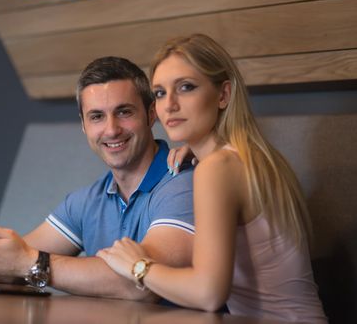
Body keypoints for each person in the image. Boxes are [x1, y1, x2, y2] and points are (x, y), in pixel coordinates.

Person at [97, 34, 327, 322]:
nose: (169, 105)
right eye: (159, 93)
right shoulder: (251, 156)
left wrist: (138, 266)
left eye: (186, 87)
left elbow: (208, 294)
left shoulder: (217, 168)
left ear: (223, 95)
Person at [0, 56, 195, 301]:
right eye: (96, 116)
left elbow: (139, 285)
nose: (111, 129)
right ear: (83, 125)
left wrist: (31, 262)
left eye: (124, 112)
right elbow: (8, 271)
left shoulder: (183, 183)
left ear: (151, 114)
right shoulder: (87, 200)